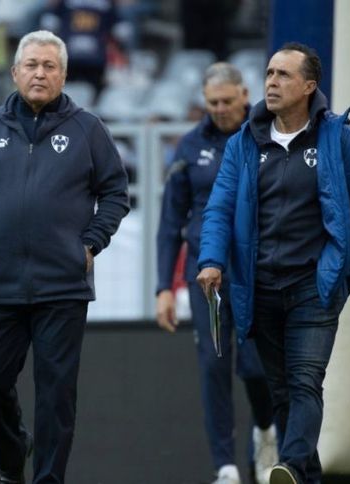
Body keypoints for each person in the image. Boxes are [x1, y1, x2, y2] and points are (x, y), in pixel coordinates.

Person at [0, 30, 129, 484]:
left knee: (55, 396)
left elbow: (116, 193)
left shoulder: (88, 129)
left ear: (63, 75)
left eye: (49, 66)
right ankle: (13, 455)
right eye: (31, 65)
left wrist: (91, 242)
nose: (40, 73)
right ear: (15, 72)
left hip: (62, 286)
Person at [196, 43, 350, 484]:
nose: (272, 82)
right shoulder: (244, 142)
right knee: (280, 392)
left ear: (309, 86)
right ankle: (302, 476)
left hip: (313, 286)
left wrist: (336, 263)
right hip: (259, 286)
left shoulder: (338, 137)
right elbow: (219, 208)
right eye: (269, 73)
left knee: (304, 381)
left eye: (283, 75)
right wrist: (212, 259)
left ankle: (291, 466)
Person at [155, 62, 278, 484]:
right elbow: (170, 223)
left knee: (256, 367)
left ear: (245, 95)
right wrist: (163, 287)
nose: (221, 109)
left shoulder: (267, 136)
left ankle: (266, 430)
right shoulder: (189, 147)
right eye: (213, 103)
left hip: (257, 270)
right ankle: (225, 467)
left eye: (227, 101)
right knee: (213, 364)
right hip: (205, 274)